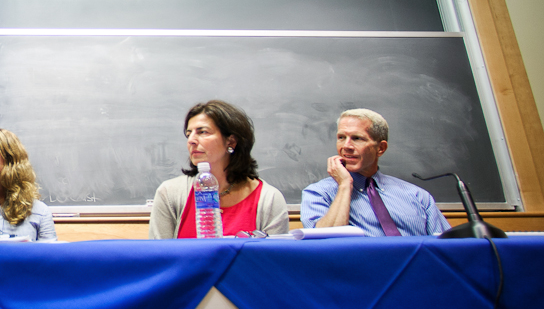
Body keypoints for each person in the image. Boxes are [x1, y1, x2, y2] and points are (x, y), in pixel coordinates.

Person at [149, 100, 289, 239]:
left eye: (202, 132)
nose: (191, 140)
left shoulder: (269, 199)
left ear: (231, 142)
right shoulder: (170, 193)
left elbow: (272, 259)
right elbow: (159, 257)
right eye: (189, 133)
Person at [300, 109, 449, 236]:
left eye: (357, 138)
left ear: (381, 148)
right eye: (341, 137)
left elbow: (447, 247)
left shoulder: (417, 196)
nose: (346, 146)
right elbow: (325, 245)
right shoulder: (318, 193)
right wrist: (345, 185)